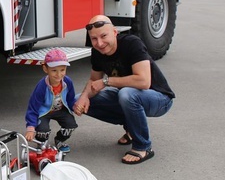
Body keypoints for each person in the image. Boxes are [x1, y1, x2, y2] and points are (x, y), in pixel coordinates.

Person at [73, 15, 174, 165]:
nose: (99, 43)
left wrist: (107, 81)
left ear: (114, 32)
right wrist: (84, 97)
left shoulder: (132, 43)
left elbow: (144, 81)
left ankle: (143, 147)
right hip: (127, 95)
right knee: (76, 99)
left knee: (126, 94)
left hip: (159, 98)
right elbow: (94, 80)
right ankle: (131, 129)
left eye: (103, 36)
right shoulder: (98, 51)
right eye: (94, 39)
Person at [24, 48, 77, 152]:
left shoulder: (68, 82)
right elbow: (33, 108)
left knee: (71, 125)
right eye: (54, 70)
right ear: (45, 69)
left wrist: (75, 107)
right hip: (44, 111)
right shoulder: (41, 86)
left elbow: (71, 99)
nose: (58, 74)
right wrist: (30, 128)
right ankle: (41, 143)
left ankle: (59, 140)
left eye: (62, 70)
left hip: (61, 110)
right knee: (43, 130)